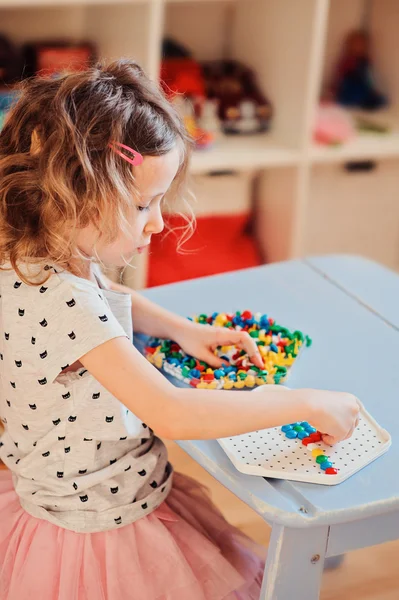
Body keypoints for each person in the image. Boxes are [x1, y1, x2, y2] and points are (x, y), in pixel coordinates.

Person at [0, 59, 360, 600]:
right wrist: (297, 402)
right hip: (103, 529)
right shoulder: (65, 301)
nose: (158, 222)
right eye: (142, 203)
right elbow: (173, 411)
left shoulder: (32, 252)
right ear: (72, 193)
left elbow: (104, 297)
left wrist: (181, 330)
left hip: (68, 495)